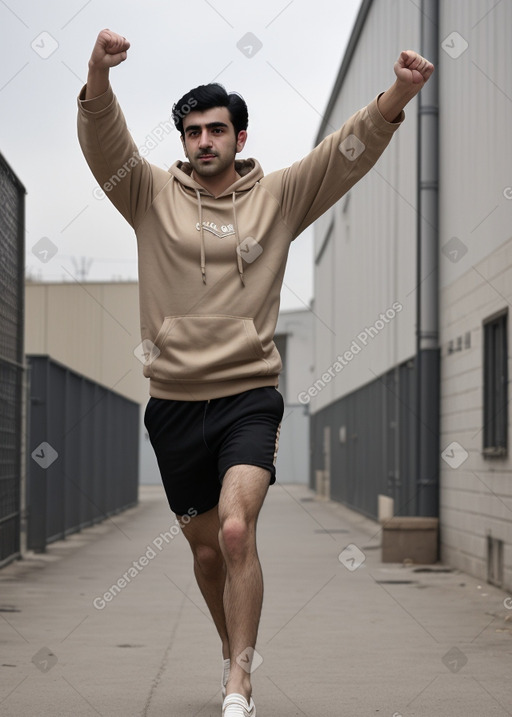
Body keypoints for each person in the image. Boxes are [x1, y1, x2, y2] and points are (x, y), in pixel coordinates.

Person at [77, 29, 434, 717]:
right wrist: (97, 71)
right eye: (191, 132)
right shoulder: (148, 196)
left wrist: (400, 95)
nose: (203, 141)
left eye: (216, 129)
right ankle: (231, 649)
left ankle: (240, 678)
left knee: (237, 531)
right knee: (207, 556)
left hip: (249, 395)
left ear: (240, 136)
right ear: (182, 141)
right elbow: (104, 142)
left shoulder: (277, 198)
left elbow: (343, 155)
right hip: (174, 403)